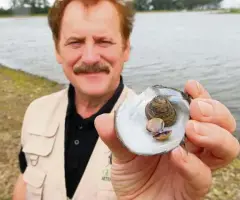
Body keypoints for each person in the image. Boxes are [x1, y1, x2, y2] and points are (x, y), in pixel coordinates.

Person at [12, 0, 240, 199]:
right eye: (75, 42)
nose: (90, 57)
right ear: (57, 50)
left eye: (104, 41)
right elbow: (25, 180)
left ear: (126, 48)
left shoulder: (162, 155)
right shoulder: (36, 111)